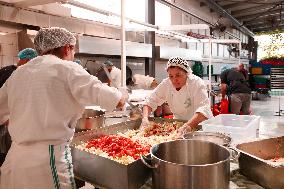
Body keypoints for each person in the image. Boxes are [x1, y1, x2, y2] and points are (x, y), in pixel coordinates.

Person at [0, 27, 126, 189]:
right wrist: (122, 94)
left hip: (15, 160)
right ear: (67, 48)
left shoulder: (18, 74)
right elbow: (115, 100)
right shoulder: (67, 69)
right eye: (73, 50)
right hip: (47, 162)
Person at [141, 57, 212, 135]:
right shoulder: (167, 84)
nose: (174, 80)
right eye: (171, 76)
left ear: (186, 73)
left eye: (178, 75)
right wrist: (145, 118)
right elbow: (150, 100)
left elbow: (204, 110)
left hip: (201, 127)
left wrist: (187, 126)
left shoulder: (196, 83)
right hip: (179, 126)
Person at [0, 48, 38, 166]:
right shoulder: (13, 74)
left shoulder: (7, 69)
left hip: (6, 117)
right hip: (4, 119)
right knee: (4, 150)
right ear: (26, 60)